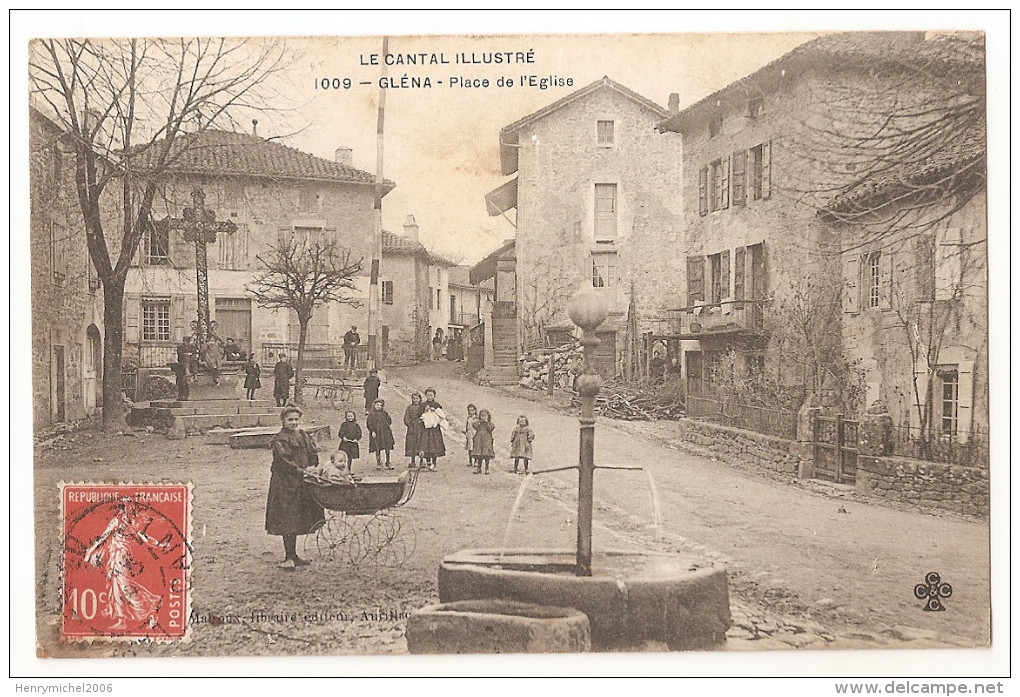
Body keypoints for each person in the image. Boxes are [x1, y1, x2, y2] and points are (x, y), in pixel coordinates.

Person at [265, 406, 324, 570]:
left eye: (296, 419)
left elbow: (313, 453)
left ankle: (294, 555)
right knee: (287, 518)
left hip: (301, 482)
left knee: (298, 518)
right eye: (290, 419)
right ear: (283, 421)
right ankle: (289, 556)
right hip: (285, 483)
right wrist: (301, 471)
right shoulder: (280, 440)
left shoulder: (303, 435)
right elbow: (284, 462)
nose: (293, 422)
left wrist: (312, 466)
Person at [366, 399, 395, 470]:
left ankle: (388, 461)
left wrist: (385, 425)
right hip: (377, 433)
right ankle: (378, 462)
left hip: (385, 432)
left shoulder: (384, 413)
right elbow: (369, 424)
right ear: (374, 405)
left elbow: (389, 421)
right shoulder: (371, 414)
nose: (379, 407)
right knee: (377, 447)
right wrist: (372, 431)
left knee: (387, 447)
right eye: (377, 405)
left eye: (380, 405)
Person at [420, 398, 447, 472]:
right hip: (426, 429)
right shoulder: (423, 405)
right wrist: (425, 410)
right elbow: (420, 415)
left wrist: (434, 410)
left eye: (431, 395)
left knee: (435, 446)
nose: (429, 396)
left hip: (435, 429)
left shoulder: (437, 405)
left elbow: (442, 416)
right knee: (426, 446)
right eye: (428, 395)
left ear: (434, 396)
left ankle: (434, 464)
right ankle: (428, 463)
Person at [403, 392, 425, 470]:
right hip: (412, 428)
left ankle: (422, 460)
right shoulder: (409, 408)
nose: (415, 400)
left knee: (421, 443)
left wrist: (423, 422)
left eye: (417, 398)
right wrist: (409, 424)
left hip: (421, 428)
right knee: (412, 443)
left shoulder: (422, 407)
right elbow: (406, 418)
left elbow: (425, 416)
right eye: (414, 398)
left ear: (420, 399)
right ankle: (412, 461)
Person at [472, 409, 495, 475]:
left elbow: (491, 428)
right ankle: (479, 468)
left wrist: (487, 422)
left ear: (488, 416)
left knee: (486, 455)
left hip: (486, 441)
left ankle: (487, 468)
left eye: (485, 416)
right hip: (479, 440)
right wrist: (479, 422)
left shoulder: (489, 424)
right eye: (482, 416)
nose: (483, 417)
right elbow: (474, 425)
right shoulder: (478, 423)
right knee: (479, 455)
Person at [463, 404, 479, 468]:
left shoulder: (477, 418)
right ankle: (470, 461)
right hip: (469, 433)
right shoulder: (468, 418)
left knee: (475, 447)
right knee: (470, 447)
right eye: (469, 411)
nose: (471, 412)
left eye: (472, 410)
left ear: (475, 410)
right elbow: (467, 425)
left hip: (475, 433)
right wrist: (466, 431)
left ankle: (476, 461)